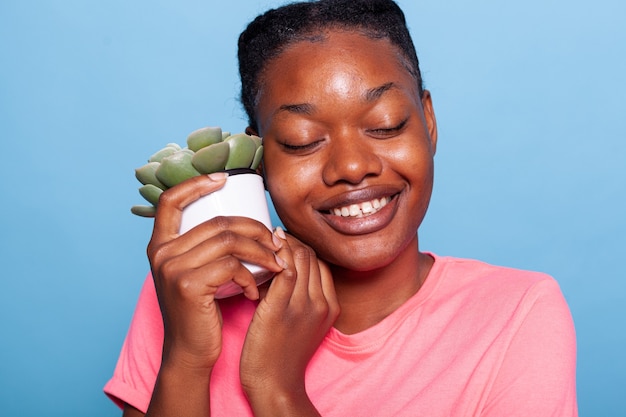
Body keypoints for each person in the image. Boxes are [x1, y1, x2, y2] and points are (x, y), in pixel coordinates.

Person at [104, 0, 578, 415]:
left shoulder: (516, 314)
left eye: (386, 125)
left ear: (428, 122)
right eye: (302, 141)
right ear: (262, 154)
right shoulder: (193, 285)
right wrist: (187, 357)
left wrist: (276, 389)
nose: (351, 167)